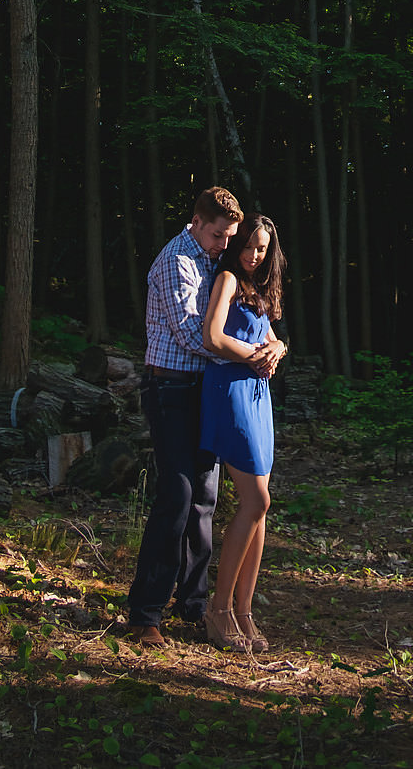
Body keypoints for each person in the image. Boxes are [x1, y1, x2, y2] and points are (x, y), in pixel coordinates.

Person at [127, 186, 284, 647]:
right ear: (196, 221)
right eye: (219, 236)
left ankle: (194, 604)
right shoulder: (177, 261)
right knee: (176, 496)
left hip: (206, 393)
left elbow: (247, 320)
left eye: (229, 237)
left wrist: (273, 345)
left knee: (204, 502)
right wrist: (255, 355)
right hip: (171, 388)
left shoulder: (215, 260)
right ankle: (145, 612)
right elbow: (199, 336)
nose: (224, 245)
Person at [200, 213, 287, 653]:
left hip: (258, 398)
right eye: (250, 246)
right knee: (256, 500)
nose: (255, 255)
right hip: (231, 390)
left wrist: (278, 347)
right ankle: (218, 610)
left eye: (262, 249)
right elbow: (213, 336)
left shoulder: (257, 289)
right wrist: (257, 354)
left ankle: (244, 611)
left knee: (260, 511)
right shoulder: (229, 280)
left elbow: (272, 337)